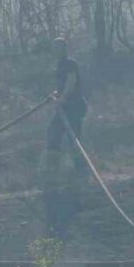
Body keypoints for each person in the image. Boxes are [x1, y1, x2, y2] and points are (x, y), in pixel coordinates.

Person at [46, 37, 88, 173]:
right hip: (65, 107)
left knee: (74, 138)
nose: (56, 50)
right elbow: (62, 86)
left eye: (59, 47)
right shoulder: (60, 64)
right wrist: (56, 94)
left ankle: (80, 169)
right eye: (55, 47)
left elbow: (71, 82)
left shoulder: (70, 63)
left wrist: (62, 98)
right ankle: (52, 168)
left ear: (64, 48)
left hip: (74, 106)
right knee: (53, 132)